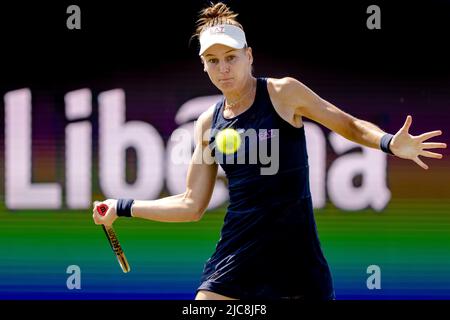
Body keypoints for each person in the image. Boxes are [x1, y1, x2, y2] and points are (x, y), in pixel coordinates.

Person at [92, 2, 446, 300]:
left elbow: (348, 125)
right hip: (236, 257)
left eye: (231, 57)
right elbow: (191, 203)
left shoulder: (283, 93)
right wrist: (122, 206)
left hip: (297, 261)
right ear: (203, 65)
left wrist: (388, 142)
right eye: (213, 61)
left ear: (249, 56)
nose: (223, 68)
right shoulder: (206, 125)